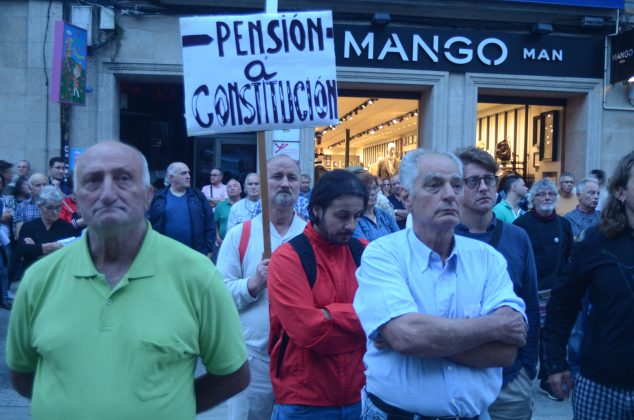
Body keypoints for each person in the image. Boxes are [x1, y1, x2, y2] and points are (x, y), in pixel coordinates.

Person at [6, 141, 249, 420]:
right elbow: (22, 374)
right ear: (76, 199)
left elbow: (233, 375)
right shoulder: (39, 278)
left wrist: (171, 406)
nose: (108, 194)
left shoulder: (198, 275)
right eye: (92, 181)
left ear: (148, 196)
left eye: (123, 179)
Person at [354, 148, 527, 419]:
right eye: (434, 185)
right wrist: (493, 326)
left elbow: (506, 352)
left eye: (456, 185)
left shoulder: (488, 260)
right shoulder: (383, 254)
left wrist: (423, 341)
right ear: (405, 197)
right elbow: (407, 336)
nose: (449, 194)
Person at [268, 170, 368, 418]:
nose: (351, 226)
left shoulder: (365, 252)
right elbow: (307, 330)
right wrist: (366, 317)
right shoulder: (287, 258)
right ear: (317, 210)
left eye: (357, 216)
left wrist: (328, 314)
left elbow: (391, 316)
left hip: (360, 395)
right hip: (304, 401)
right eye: (342, 216)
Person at [543, 151, 634, 419]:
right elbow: (563, 302)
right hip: (601, 384)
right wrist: (556, 361)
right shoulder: (596, 241)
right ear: (620, 191)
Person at [217, 154, 306, 420]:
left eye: (291, 177)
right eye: (277, 177)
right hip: (252, 361)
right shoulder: (240, 235)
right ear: (263, 183)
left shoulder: (311, 236)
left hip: (300, 362)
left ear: (300, 185)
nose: (285, 183)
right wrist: (253, 284)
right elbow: (219, 295)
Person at [454, 147, 539, 420]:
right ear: (457, 187)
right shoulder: (443, 237)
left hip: (510, 381)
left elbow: (530, 304)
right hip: (455, 378)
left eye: (489, 179)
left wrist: (527, 367)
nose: (483, 187)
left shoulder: (517, 237)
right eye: (473, 181)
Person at [513, 178, 573, 401]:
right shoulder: (521, 226)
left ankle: (548, 380)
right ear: (533, 199)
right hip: (528, 292)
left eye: (550, 194)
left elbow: (569, 257)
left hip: (555, 292)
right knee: (528, 336)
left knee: (550, 336)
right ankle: (523, 374)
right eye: (541, 194)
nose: (547, 197)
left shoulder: (563, 225)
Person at [147, 162, 215, 258]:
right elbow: (148, 224)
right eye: (183, 173)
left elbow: (210, 223)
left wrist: (208, 249)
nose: (188, 176)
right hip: (164, 255)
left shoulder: (198, 196)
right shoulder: (158, 197)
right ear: (171, 178)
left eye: (188, 173)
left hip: (194, 254)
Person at [16, 186, 79, 271]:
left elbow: (70, 255)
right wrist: (52, 247)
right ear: (39, 206)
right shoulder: (28, 226)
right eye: (50, 207)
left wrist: (36, 248)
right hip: (33, 274)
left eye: (58, 207)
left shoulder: (67, 227)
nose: (55, 211)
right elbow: (23, 250)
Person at [353, 172, 399, 242]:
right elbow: (364, 247)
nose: (373, 193)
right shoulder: (355, 219)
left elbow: (399, 239)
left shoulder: (385, 215)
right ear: (357, 192)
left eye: (374, 188)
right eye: (367, 189)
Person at [14, 173, 48, 240]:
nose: (42, 188)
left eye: (45, 184)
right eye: (38, 185)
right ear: (30, 188)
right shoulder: (22, 207)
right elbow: (19, 234)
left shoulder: (56, 205)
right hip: (30, 245)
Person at [215, 178, 242, 245]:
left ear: (240, 190)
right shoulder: (220, 206)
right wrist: (219, 240)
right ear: (226, 191)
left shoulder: (246, 204)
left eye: (235, 186)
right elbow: (214, 224)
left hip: (243, 244)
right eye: (229, 187)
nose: (232, 188)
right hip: (223, 243)